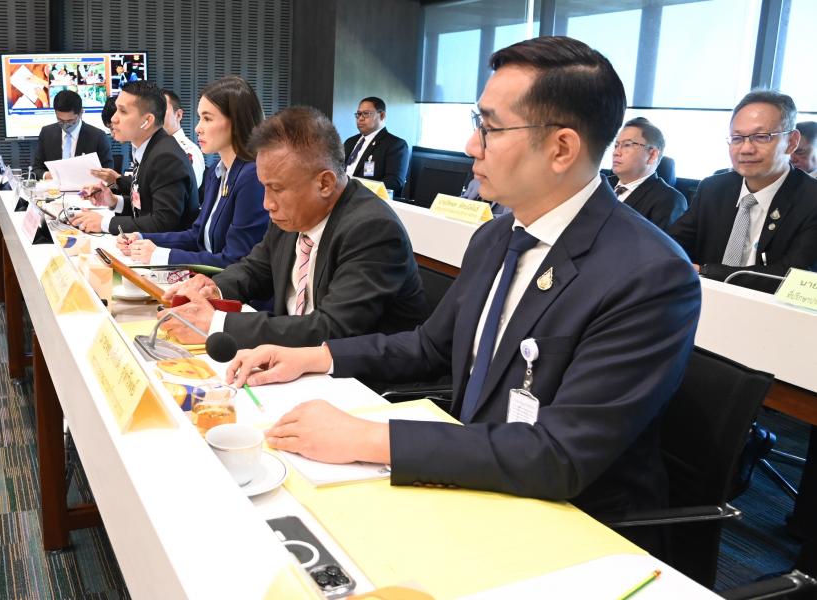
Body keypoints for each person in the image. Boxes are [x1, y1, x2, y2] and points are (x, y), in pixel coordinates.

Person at [224, 37, 701, 555]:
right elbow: (430, 346)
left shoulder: (648, 274)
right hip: (474, 479)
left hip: (573, 527)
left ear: (562, 148)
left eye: (489, 128)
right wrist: (313, 356)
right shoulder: (496, 238)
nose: (472, 145)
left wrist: (367, 438)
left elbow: (560, 454)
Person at [159, 106, 428, 349]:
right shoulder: (292, 214)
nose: (267, 203)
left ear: (325, 183)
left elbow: (332, 328)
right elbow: (256, 268)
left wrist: (219, 325)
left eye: (276, 189)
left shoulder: (372, 229)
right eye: (264, 187)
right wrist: (214, 288)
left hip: (357, 379)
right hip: (294, 361)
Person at [669, 90, 817, 292]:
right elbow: (671, 243)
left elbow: (793, 277)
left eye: (761, 137)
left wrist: (706, 271)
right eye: (737, 138)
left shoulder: (811, 200)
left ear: (791, 142)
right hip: (703, 300)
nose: (746, 149)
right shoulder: (713, 189)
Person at [117, 76, 269, 269]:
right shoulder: (217, 171)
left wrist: (161, 255)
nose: (198, 128)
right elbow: (196, 236)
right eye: (200, 118)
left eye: (207, 118)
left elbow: (235, 261)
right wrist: (143, 238)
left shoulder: (252, 177)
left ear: (236, 121)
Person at [70, 81, 198, 235]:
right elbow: (146, 206)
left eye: (123, 111)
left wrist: (104, 223)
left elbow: (163, 222)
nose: (114, 119)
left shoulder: (166, 157)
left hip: (167, 248)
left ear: (147, 121)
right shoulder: (149, 147)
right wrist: (114, 201)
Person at [609, 117, 686, 230]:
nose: (616, 152)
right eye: (616, 145)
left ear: (652, 155)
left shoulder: (669, 200)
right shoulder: (601, 184)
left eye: (627, 145)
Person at [30, 89, 113, 180]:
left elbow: (109, 174)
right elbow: (36, 169)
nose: (65, 125)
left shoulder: (98, 137)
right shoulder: (47, 133)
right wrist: (47, 175)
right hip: (53, 187)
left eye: (70, 121)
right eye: (60, 120)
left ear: (81, 113)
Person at [343, 97, 409, 196]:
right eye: (358, 114)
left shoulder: (395, 145)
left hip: (367, 198)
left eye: (366, 114)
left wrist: (357, 189)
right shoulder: (350, 142)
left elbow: (394, 182)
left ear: (382, 115)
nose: (360, 118)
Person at [163, 89, 205, 189]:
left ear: (178, 115)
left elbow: (187, 191)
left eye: (161, 110)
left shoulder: (188, 151)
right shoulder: (155, 147)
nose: (155, 115)